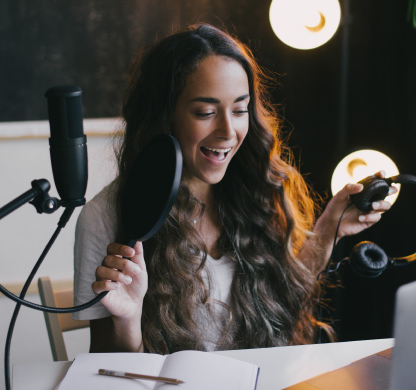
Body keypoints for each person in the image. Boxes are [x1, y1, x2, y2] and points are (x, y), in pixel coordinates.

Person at [72, 23, 395, 354]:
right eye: (206, 112)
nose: (228, 131)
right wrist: (128, 321)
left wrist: (329, 229)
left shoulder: (253, 187)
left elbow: (282, 304)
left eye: (240, 109)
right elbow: (108, 372)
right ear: (163, 116)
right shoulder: (106, 216)